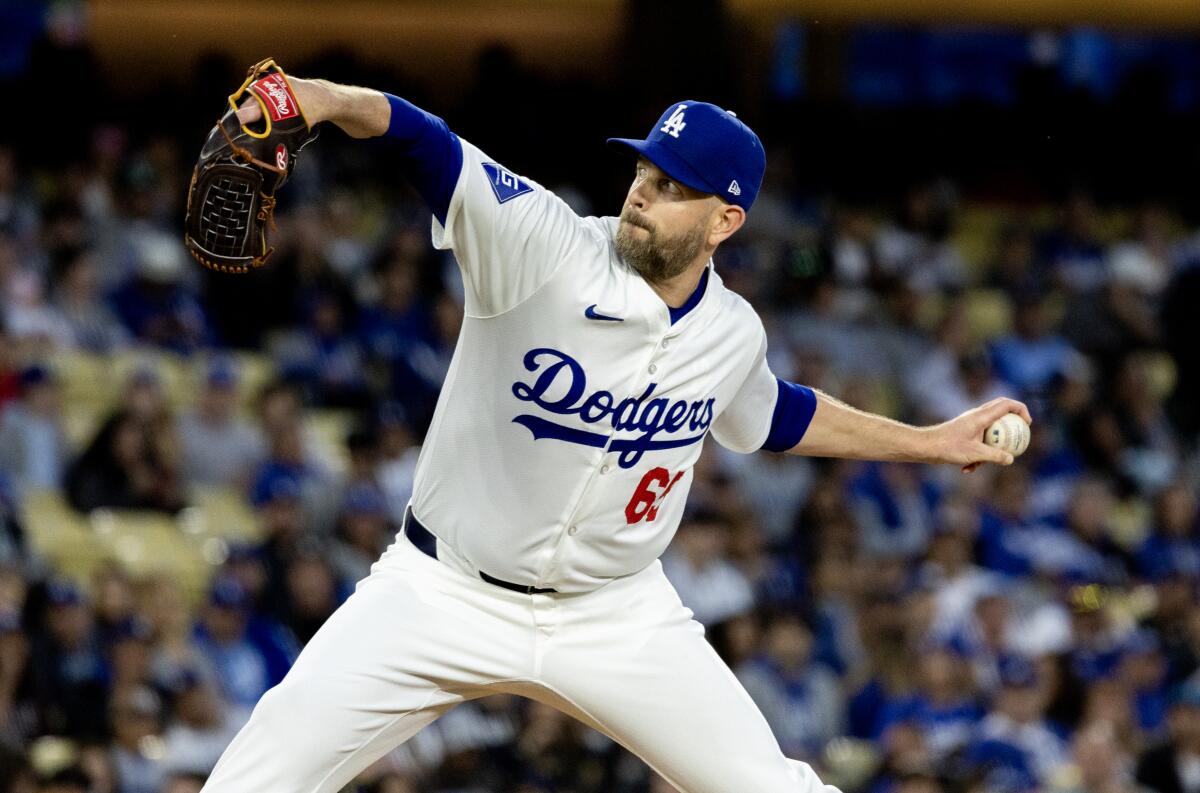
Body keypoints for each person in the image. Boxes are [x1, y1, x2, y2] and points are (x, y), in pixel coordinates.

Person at [200, 72, 1030, 793]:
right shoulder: (542, 244)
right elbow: (427, 142)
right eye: (644, 167)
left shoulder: (731, 332)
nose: (643, 188)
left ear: (725, 222)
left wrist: (932, 441)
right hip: (439, 591)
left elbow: (773, 414)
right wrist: (316, 99)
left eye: (673, 184)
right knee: (256, 774)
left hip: (615, 616)